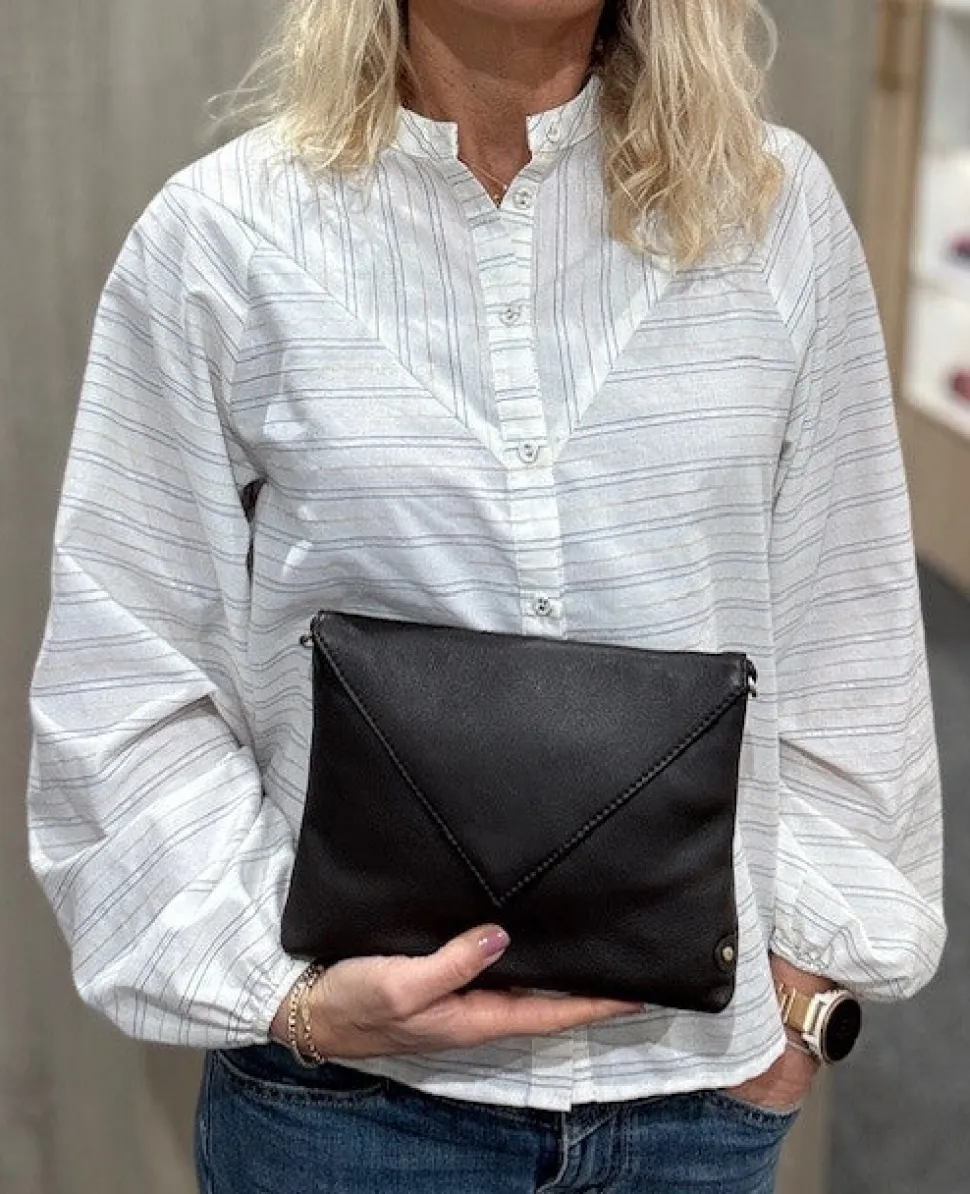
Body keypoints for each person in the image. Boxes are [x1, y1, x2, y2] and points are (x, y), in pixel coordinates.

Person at [27, 1, 946, 1192]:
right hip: (347, 1120)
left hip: (690, 1115)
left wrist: (800, 1003)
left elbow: (847, 621)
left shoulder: (769, 210)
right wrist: (288, 997)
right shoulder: (224, 234)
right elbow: (132, 666)